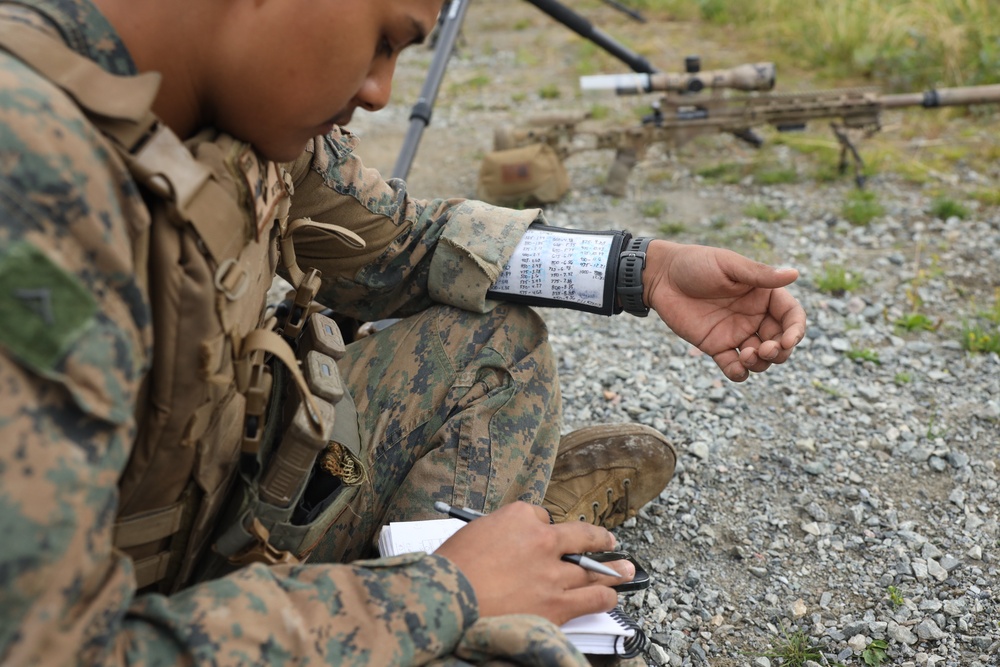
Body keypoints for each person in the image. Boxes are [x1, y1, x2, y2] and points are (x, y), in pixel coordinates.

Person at [0, 0, 806, 664]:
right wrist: (441, 594)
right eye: (384, 40)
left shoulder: (225, 106)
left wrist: (644, 270)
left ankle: (485, 538)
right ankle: (493, 547)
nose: (382, 90)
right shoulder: (27, 185)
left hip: (216, 509)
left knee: (491, 343)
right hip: (114, 612)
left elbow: (407, 246)